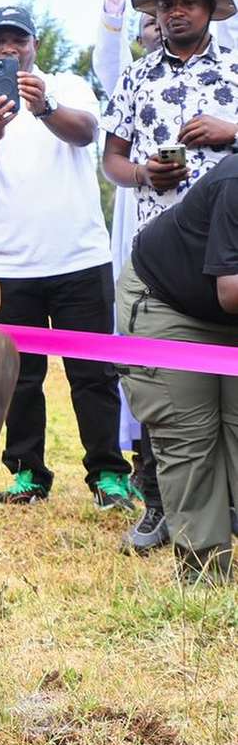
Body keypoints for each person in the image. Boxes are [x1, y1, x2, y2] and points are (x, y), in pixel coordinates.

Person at [0, 5, 132, 508]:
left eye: (17, 41)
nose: (7, 50)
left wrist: (44, 106)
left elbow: (87, 132)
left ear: (35, 45)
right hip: (5, 267)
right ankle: (28, 474)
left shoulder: (68, 86)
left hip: (79, 259)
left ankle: (109, 475)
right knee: (18, 379)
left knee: (93, 374)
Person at [101, 0, 238, 548]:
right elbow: (112, 159)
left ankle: (222, 514)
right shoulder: (137, 75)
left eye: (188, 1)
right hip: (167, 260)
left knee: (227, 413)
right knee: (172, 402)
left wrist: (229, 132)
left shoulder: (235, 65)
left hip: (232, 243)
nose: (176, 11)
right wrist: (142, 176)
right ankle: (162, 508)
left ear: (211, 9)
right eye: (166, 4)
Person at [117, 153, 238, 582]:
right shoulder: (234, 182)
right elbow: (231, 291)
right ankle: (206, 577)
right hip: (167, 304)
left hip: (226, 314)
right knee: (191, 439)